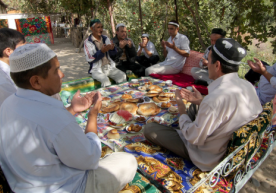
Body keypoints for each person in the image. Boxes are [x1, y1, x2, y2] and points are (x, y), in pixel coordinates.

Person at [0, 43, 137, 193]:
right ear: (36, 81)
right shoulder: (54, 116)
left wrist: (72, 109)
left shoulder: (7, 105)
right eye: (56, 70)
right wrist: (93, 115)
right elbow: (90, 158)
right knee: (128, 161)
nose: (62, 75)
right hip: (70, 188)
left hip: (23, 185)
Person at [144, 38, 262, 171]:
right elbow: (229, 110)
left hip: (208, 156)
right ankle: (185, 122)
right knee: (195, 106)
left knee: (149, 129)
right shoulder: (248, 86)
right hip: (227, 141)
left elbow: (193, 138)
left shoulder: (216, 99)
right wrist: (202, 101)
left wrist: (181, 107)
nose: (206, 65)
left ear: (217, 65)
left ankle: (180, 127)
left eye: (208, 61)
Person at [84, 19, 126, 87]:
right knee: (105, 81)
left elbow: (112, 54)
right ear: (92, 28)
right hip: (96, 70)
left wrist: (112, 49)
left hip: (109, 67)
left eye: (101, 27)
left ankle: (122, 95)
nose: (101, 29)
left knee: (122, 76)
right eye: (98, 27)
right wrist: (101, 52)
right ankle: (106, 97)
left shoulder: (105, 38)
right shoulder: (88, 42)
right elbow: (90, 58)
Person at [0, 28, 26, 107]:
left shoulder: (10, 69)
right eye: (22, 48)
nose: (26, 52)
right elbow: (17, 106)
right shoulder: (3, 82)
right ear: (8, 51)